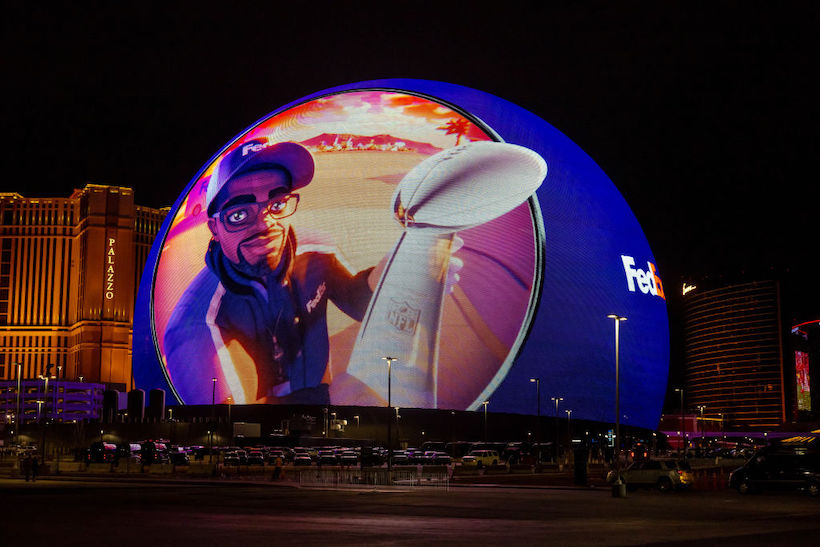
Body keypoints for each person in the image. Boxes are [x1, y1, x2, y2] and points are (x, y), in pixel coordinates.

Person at [164, 139, 379, 406]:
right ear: (215, 230)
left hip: (321, 415)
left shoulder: (317, 253)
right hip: (262, 443)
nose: (266, 223)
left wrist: (411, 256)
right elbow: (230, 424)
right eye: (239, 215)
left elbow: (365, 302)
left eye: (277, 204)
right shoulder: (195, 323)